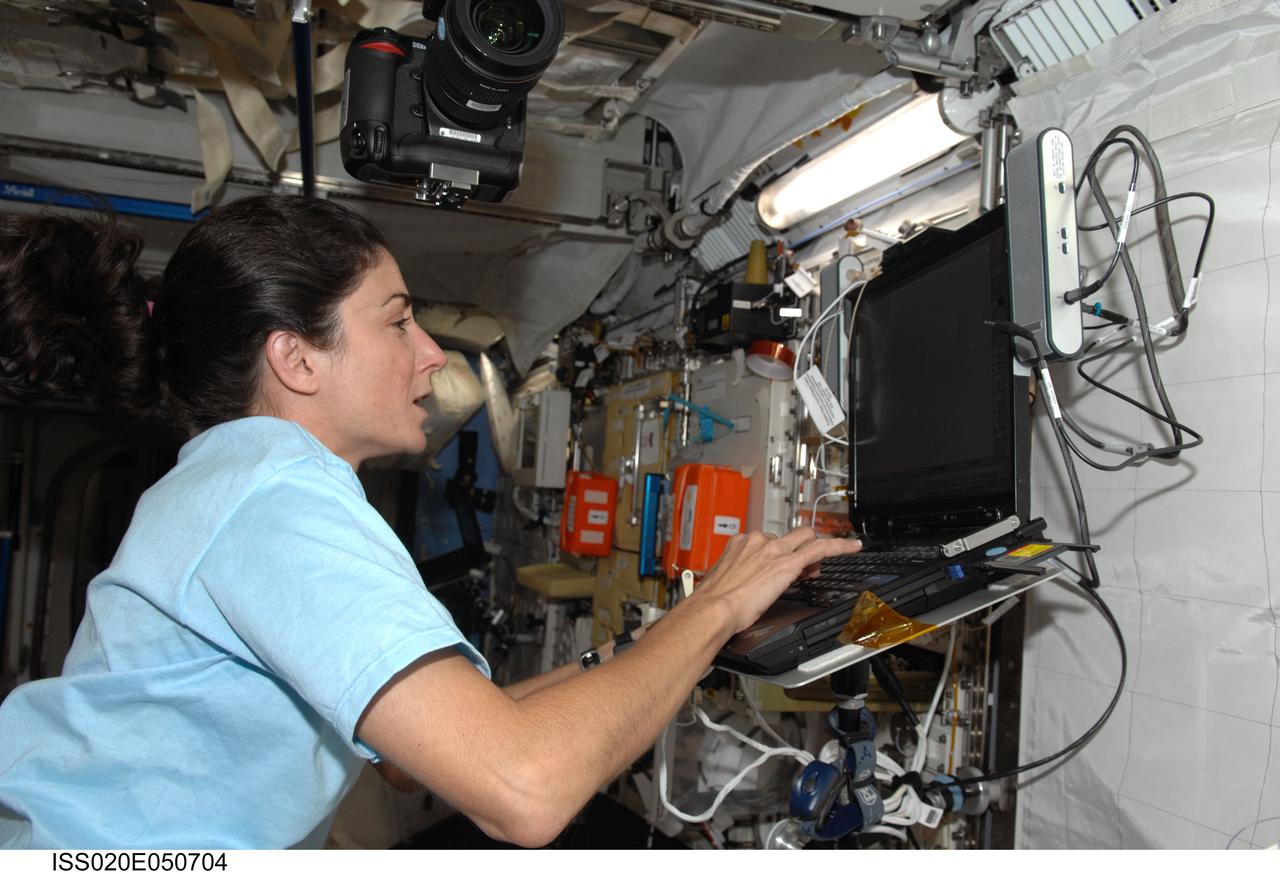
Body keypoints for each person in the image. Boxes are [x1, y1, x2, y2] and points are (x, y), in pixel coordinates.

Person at [0, 195, 861, 848]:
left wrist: (663, 637)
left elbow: (410, 758)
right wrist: (717, 611)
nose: (432, 355)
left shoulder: (237, 487)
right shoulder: (272, 494)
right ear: (296, 358)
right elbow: (525, 788)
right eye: (397, 318)